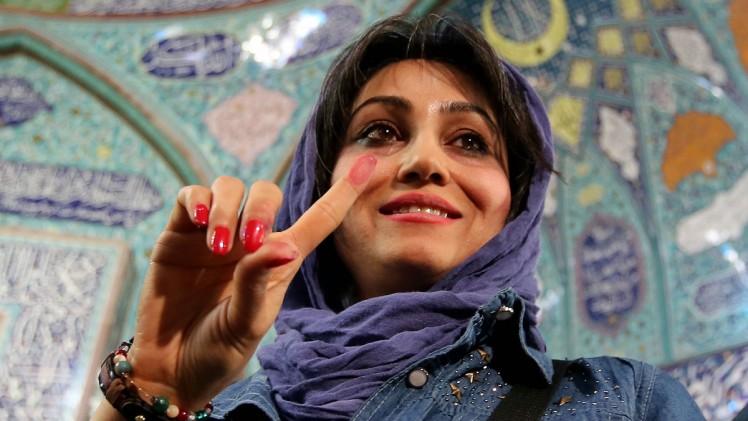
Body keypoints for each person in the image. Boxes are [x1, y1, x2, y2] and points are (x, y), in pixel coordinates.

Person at [93, 14, 705, 421]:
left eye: (469, 141)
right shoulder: (229, 415)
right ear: (315, 187)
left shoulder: (624, 403)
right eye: (380, 131)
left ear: (515, 209)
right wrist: (154, 385)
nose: (421, 161)